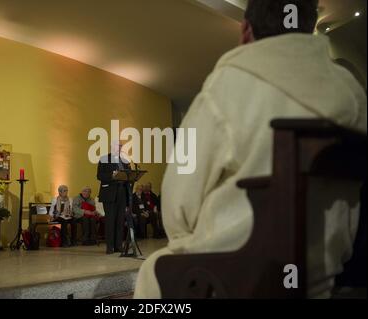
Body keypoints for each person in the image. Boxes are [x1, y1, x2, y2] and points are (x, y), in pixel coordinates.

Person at [134, 0, 367, 298]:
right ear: (308, 25)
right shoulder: (351, 91)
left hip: (239, 271)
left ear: (245, 31)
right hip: (324, 273)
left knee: (154, 269)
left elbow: (177, 206)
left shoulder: (228, 85)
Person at [97, 141, 130, 254]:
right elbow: (100, 175)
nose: (119, 147)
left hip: (122, 193)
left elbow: (128, 175)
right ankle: (110, 247)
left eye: (121, 146)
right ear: (112, 147)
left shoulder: (124, 160)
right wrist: (112, 175)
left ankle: (118, 246)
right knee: (110, 221)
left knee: (120, 221)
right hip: (110, 194)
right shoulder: (104, 158)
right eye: (117, 145)